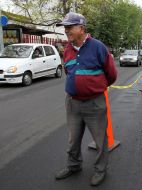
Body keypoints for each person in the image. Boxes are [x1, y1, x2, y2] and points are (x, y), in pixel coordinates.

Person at [55, 12, 117, 186]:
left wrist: (94, 88)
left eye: (69, 27)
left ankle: (100, 170)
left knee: (100, 140)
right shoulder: (67, 49)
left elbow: (111, 75)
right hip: (73, 103)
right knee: (73, 139)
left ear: (81, 28)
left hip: (94, 103)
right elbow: (69, 72)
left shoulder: (98, 47)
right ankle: (74, 165)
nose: (66, 31)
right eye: (64, 28)